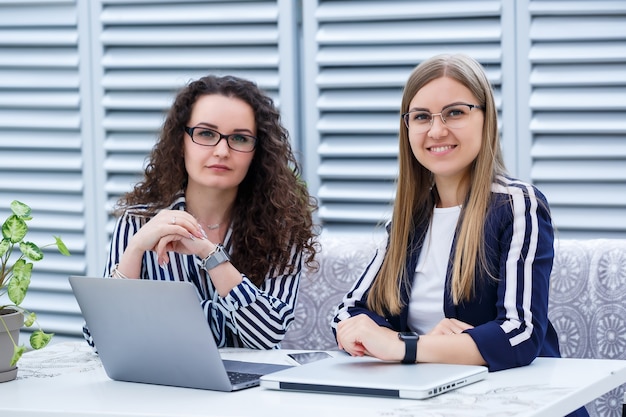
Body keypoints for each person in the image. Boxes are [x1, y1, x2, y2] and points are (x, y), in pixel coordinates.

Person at [332, 54, 588, 416]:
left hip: (523, 404)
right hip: (437, 403)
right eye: (421, 117)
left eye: (455, 112)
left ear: (486, 119)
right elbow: (347, 314)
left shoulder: (516, 205)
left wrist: (405, 347)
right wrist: (384, 338)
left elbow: (520, 333)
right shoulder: (408, 217)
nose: (436, 131)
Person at [83, 74, 318, 350]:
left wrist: (209, 254)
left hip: (250, 390)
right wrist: (134, 250)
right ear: (180, 141)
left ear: (258, 151)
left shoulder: (282, 230)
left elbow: (266, 337)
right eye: (206, 134)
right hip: (160, 385)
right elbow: (101, 340)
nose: (221, 151)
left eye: (240, 138)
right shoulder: (138, 222)